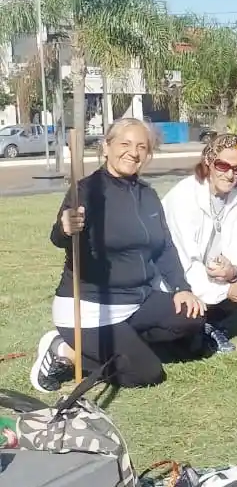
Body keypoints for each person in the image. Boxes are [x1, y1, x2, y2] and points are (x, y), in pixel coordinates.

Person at [29, 119, 206, 392]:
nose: (133, 152)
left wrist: (182, 288)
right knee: (146, 373)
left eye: (141, 147)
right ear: (106, 147)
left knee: (191, 317)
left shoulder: (147, 195)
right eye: (124, 144)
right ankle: (63, 349)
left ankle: (125, 344)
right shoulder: (87, 191)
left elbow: (164, 248)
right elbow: (59, 237)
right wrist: (66, 228)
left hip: (137, 301)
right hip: (90, 308)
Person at [161, 134, 237, 353]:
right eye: (222, 165)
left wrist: (232, 271)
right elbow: (185, 261)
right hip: (174, 278)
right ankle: (201, 326)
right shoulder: (184, 196)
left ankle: (212, 322)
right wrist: (226, 291)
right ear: (208, 162)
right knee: (188, 342)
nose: (230, 174)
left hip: (213, 272)